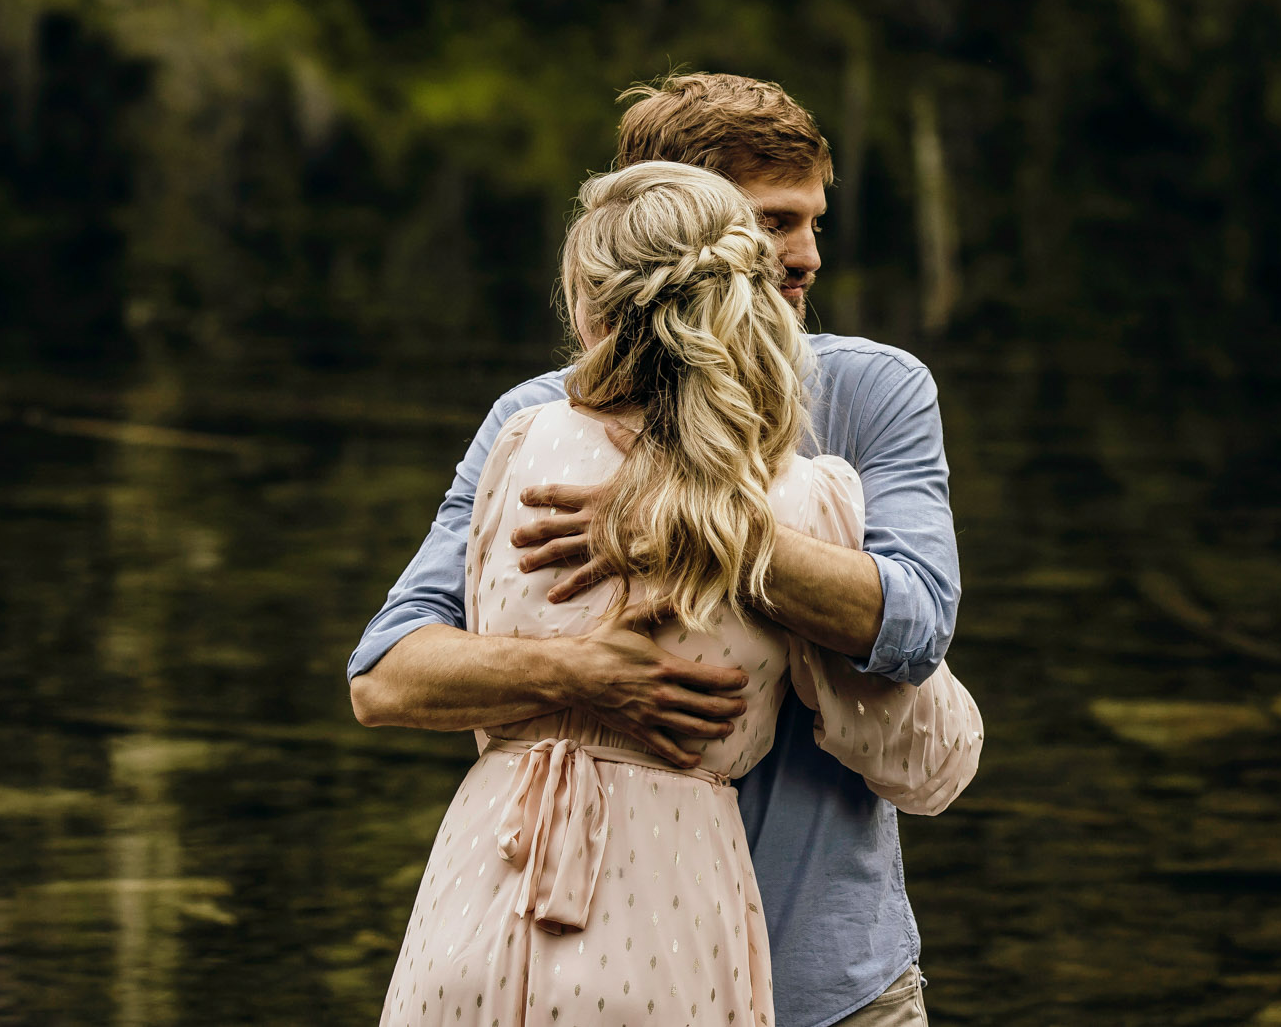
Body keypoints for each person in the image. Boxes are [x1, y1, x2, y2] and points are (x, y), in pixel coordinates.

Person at [350, 75, 965, 1027]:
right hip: (601, 982)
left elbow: (914, 626)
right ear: (667, 224)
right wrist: (584, 671)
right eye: (769, 224)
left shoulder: (875, 391)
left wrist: (690, 524)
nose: (802, 257)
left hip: (834, 985)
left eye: (812, 221)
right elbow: (387, 676)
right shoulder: (535, 422)